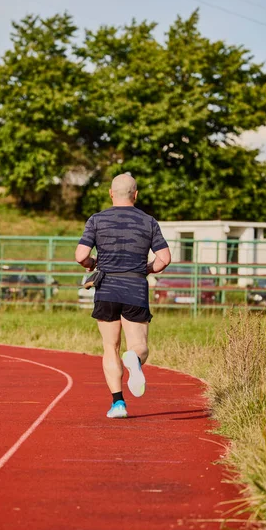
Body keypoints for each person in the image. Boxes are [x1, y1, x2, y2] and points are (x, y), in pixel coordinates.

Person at [75, 173, 171, 419]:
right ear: (135, 195)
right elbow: (164, 259)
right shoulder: (148, 221)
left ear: (111, 193)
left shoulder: (96, 220)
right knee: (139, 346)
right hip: (135, 287)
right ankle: (135, 360)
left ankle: (118, 404)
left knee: (110, 347)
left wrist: (90, 263)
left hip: (106, 288)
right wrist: (147, 268)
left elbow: (80, 255)